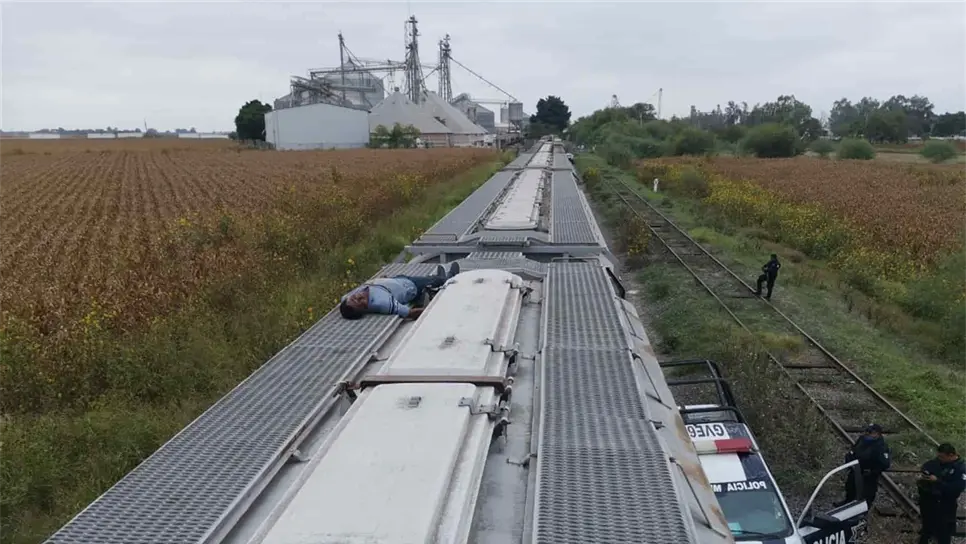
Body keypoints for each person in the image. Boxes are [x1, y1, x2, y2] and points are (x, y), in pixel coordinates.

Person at [339, 262, 460, 320]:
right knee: (434, 280)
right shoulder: (383, 303)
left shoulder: (348, 298)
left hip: (397, 279)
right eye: (358, 301)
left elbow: (345, 299)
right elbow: (409, 313)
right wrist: (436, 311)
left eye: (353, 297)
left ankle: (438, 278)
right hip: (411, 286)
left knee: (431, 279)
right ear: (364, 308)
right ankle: (449, 277)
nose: (357, 296)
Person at [834, 423, 891, 508]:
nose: (867, 433)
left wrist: (873, 472)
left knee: (866, 494)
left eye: (870, 432)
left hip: (868, 475)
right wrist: (849, 461)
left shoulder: (881, 447)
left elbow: (885, 464)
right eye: (866, 431)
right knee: (850, 487)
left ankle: (862, 513)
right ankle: (847, 503)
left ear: (877, 434)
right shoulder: (862, 440)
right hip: (856, 469)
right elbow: (853, 450)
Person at [917, 443, 965, 544]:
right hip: (930, 503)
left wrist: (937, 481)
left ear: (951, 455)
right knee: (926, 530)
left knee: (944, 534)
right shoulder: (938, 462)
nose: (939, 459)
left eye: (942, 457)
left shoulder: (960, 469)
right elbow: (926, 466)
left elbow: (955, 489)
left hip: (946, 506)